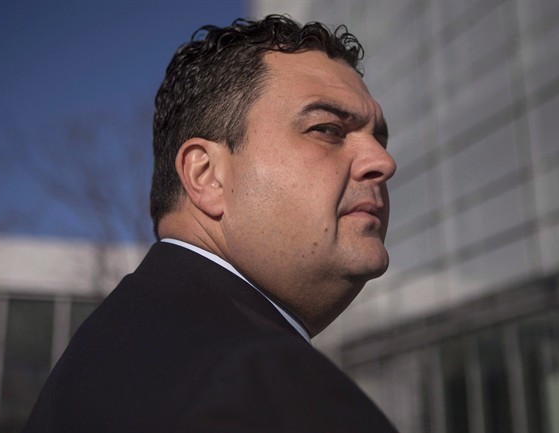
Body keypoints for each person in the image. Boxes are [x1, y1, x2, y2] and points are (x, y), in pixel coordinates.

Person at [24, 14, 398, 432]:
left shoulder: (106, 358)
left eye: (379, 139)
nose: (383, 162)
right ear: (206, 176)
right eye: (327, 129)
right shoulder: (261, 383)